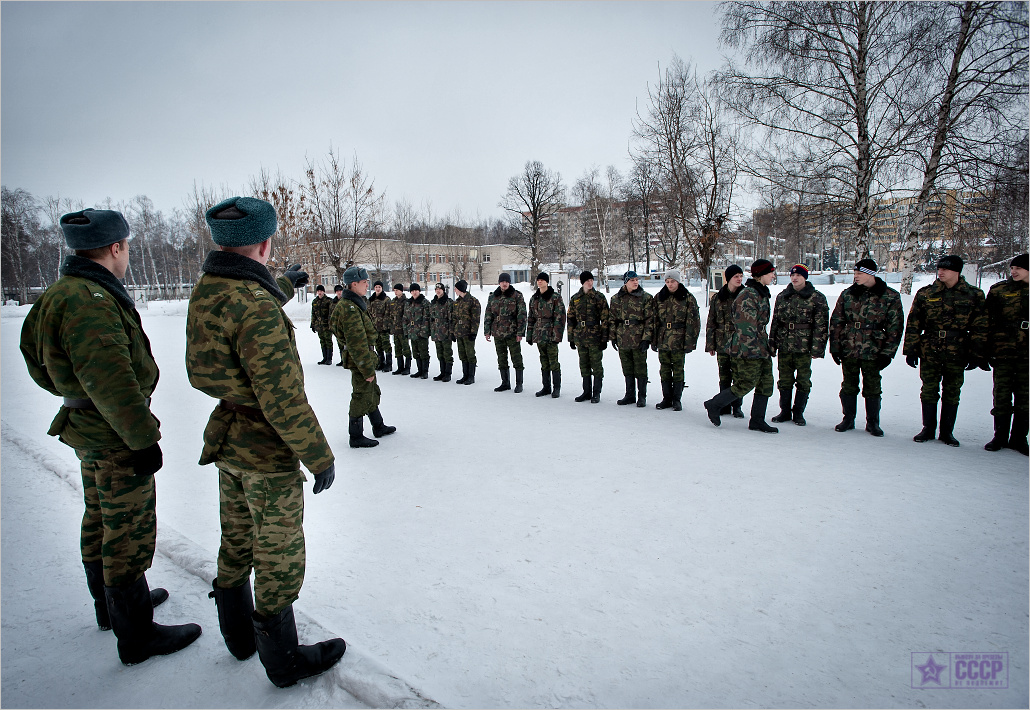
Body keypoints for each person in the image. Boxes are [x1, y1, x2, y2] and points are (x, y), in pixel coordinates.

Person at [20, 208, 201, 666]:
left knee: (100, 516)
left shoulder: (61, 294)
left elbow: (36, 361)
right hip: (115, 432)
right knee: (127, 529)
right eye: (128, 247)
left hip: (87, 426)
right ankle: (136, 633)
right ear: (116, 247)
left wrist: (72, 394)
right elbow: (113, 378)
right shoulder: (89, 299)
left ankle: (111, 609)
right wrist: (142, 438)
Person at [185, 196, 344, 688]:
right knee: (277, 554)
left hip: (227, 439)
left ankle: (237, 638)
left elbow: (241, 305)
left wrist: (282, 286)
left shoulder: (209, 288)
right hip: (266, 449)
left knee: (235, 541)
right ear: (265, 242)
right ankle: (284, 662)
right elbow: (283, 402)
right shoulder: (256, 307)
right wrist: (319, 456)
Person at [904, 254, 988, 447]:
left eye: (946, 269)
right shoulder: (926, 293)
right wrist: (911, 349)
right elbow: (914, 322)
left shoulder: (973, 295)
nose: (940, 272)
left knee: (952, 391)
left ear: (957, 271)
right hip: (930, 348)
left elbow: (980, 326)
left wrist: (977, 353)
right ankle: (928, 428)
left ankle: (947, 432)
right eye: (939, 268)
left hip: (957, 349)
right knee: (929, 390)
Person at [828, 258, 904, 437]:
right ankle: (848, 418)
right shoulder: (848, 294)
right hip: (850, 347)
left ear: (871, 274)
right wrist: (835, 347)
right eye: (854, 273)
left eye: (859, 273)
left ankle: (873, 422)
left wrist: (888, 353)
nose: (856, 277)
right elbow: (837, 321)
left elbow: (895, 327)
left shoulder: (889, 296)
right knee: (848, 385)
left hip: (874, 348)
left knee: (872, 386)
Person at [703, 259, 779, 432]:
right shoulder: (748, 296)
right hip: (749, 349)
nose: (773, 276)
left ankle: (757, 420)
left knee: (766, 383)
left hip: (761, 347)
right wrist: (751, 352)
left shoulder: (760, 292)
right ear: (761, 275)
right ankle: (714, 404)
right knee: (745, 383)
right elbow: (745, 327)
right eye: (770, 273)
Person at [330, 266, 398, 448]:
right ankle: (356, 436)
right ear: (353, 284)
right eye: (364, 282)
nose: (367, 284)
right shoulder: (350, 308)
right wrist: (367, 368)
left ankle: (378, 426)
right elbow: (356, 343)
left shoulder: (354, 303)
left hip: (364, 356)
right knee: (361, 394)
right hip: (360, 358)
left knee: (371, 391)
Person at [768, 264, 829, 426]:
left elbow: (821, 325)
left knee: (803, 380)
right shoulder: (783, 296)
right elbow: (775, 322)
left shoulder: (816, 298)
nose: (795, 278)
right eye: (792, 276)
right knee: (784, 379)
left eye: (799, 276)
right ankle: (785, 411)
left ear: (805, 277)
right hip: (785, 344)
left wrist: (818, 347)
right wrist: (772, 343)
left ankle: (799, 412)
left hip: (804, 346)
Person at [984, 253, 1028, 454]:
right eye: (1012, 268)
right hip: (1003, 351)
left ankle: (1019, 438)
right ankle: (999, 436)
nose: (1014, 271)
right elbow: (987, 322)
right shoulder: (999, 290)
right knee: (1001, 395)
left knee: (1025, 397)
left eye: (1019, 268)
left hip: (1027, 354)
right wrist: (985, 351)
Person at [652, 269, 700, 411]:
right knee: (664, 369)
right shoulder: (660, 297)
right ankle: (666, 398)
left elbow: (693, 322)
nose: (670, 284)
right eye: (667, 281)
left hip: (679, 339)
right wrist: (654, 340)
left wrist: (690, 342)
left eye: (672, 281)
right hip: (663, 338)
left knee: (678, 369)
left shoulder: (687, 298)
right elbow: (654, 320)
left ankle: (676, 399)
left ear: (678, 281)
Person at [705, 265, 746, 419]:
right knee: (724, 375)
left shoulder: (745, 296)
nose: (739, 279)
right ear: (728, 278)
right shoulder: (718, 297)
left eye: (741, 276)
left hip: (739, 342)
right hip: (722, 341)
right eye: (736, 276)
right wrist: (711, 344)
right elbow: (712, 321)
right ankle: (723, 405)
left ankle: (737, 406)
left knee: (739, 375)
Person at [609, 270, 654, 407]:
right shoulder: (616, 299)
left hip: (638, 337)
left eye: (636, 280)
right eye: (632, 280)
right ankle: (630, 395)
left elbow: (650, 320)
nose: (635, 282)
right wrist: (613, 337)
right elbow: (612, 319)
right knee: (627, 368)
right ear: (626, 282)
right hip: (623, 337)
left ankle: (642, 396)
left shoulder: (645, 298)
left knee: (640, 368)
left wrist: (647, 338)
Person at [567, 270, 610, 403]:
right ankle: (586, 391)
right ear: (582, 282)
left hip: (595, 336)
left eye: (591, 280)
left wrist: (604, 338)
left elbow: (605, 319)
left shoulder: (599, 297)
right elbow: (571, 319)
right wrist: (571, 338)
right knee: (584, 365)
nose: (590, 283)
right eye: (587, 281)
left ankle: (596, 392)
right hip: (580, 336)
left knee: (596, 365)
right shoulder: (575, 298)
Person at [484, 272, 527, 393]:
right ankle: (505, 382)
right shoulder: (493, 296)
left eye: (507, 281)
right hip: (497, 332)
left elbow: (522, 315)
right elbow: (488, 314)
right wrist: (487, 331)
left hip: (512, 332)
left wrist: (520, 332)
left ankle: (519, 383)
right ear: (499, 282)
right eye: (502, 281)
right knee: (501, 359)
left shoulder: (516, 296)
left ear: (509, 282)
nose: (504, 284)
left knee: (516, 358)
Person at [527, 272, 567, 398]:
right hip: (539, 334)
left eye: (542, 280)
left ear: (547, 282)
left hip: (550, 334)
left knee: (553, 362)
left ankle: (556, 388)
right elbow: (531, 317)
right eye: (538, 280)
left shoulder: (555, 297)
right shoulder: (534, 298)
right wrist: (529, 335)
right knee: (543, 361)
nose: (540, 282)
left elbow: (560, 317)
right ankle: (546, 387)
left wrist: (557, 336)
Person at [452, 279, 482, 385]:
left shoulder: (473, 301)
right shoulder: (457, 302)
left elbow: (475, 318)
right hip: (459, 332)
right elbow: (454, 318)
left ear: (460, 289)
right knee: (462, 354)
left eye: (456, 288)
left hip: (468, 332)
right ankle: (465, 375)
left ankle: (471, 376)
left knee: (470, 354)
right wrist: (453, 331)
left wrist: (473, 332)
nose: (454, 290)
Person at [405, 283, 432, 379]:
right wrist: (406, 330)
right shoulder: (408, 303)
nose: (414, 292)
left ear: (419, 291)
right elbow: (405, 318)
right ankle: (419, 370)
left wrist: (423, 331)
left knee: (423, 352)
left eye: (416, 290)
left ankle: (425, 371)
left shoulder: (424, 303)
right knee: (415, 352)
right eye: (412, 291)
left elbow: (426, 318)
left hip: (421, 332)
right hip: (412, 332)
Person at [430, 282, 454, 381]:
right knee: (439, 353)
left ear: (443, 290)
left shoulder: (448, 302)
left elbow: (451, 318)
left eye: (440, 289)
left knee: (447, 353)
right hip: (436, 331)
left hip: (445, 331)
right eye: (436, 289)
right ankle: (442, 372)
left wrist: (451, 332)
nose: (438, 291)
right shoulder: (433, 302)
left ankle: (448, 373)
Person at [366, 281, 392, 372]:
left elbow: (389, 313)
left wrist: (386, 325)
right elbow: (368, 313)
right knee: (378, 346)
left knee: (386, 345)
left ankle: (389, 364)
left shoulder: (386, 299)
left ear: (382, 288)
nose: (378, 289)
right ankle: (381, 362)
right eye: (376, 287)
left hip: (383, 326)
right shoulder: (371, 299)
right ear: (374, 288)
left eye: (379, 287)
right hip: (374, 327)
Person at [388, 283, 411, 375]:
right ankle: (400, 367)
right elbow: (391, 315)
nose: (396, 292)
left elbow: (407, 316)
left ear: (401, 291)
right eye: (394, 290)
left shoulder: (406, 301)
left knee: (405, 348)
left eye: (397, 290)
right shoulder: (393, 301)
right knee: (397, 348)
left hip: (403, 329)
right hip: (395, 329)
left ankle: (407, 367)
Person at [310, 284, 334, 365]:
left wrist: (331, 324)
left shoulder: (328, 301)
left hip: (326, 325)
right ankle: (324, 358)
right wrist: (312, 324)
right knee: (322, 341)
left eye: (321, 291)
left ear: (324, 291)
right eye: (318, 291)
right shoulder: (315, 302)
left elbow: (331, 314)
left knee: (328, 341)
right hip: (319, 326)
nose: (319, 293)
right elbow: (313, 314)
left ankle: (329, 359)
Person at [331, 285, 347, 366]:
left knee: (346, 344)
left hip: (345, 325)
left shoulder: (345, 300)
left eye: (340, 291)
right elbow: (331, 314)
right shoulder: (333, 302)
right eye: (337, 291)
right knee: (340, 343)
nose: (339, 292)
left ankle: (347, 360)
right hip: (337, 326)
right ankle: (342, 359)